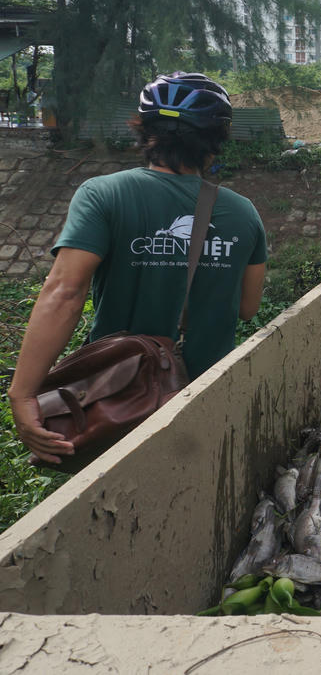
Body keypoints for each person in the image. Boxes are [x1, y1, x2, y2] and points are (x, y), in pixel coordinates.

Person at [8, 72, 268, 465]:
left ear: (145, 131)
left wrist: (23, 393)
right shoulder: (243, 213)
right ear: (215, 141)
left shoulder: (103, 195)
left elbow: (65, 292)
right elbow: (248, 307)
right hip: (208, 402)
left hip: (118, 407)